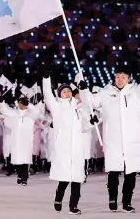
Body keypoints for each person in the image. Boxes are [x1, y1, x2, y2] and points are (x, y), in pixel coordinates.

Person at [89, 63, 140, 213]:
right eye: (117, 76)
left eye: (123, 77)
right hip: (114, 140)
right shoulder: (105, 93)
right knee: (113, 172)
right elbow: (91, 102)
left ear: (129, 79)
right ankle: (112, 198)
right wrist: (84, 89)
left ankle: (126, 202)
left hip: (131, 141)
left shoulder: (136, 93)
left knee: (130, 173)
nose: (119, 80)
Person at [43, 71, 92, 215]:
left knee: (77, 178)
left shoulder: (78, 108)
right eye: (64, 91)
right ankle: (58, 198)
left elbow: (84, 126)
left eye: (69, 91)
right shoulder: (56, 107)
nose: (67, 93)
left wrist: (91, 123)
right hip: (63, 148)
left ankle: (73, 206)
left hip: (76, 148)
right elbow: (47, 94)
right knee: (65, 178)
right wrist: (46, 78)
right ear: (59, 95)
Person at [0, 96, 42, 186]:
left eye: (23, 104)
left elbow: (37, 112)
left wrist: (29, 104)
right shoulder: (15, 114)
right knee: (17, 161)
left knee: (25, 160)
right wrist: (1, 103)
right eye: (20, 104)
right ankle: (19, 175)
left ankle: (24, 178)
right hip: (16, 141)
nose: (21, 106)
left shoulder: (30, 115)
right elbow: (6, 111)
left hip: (26, 142)